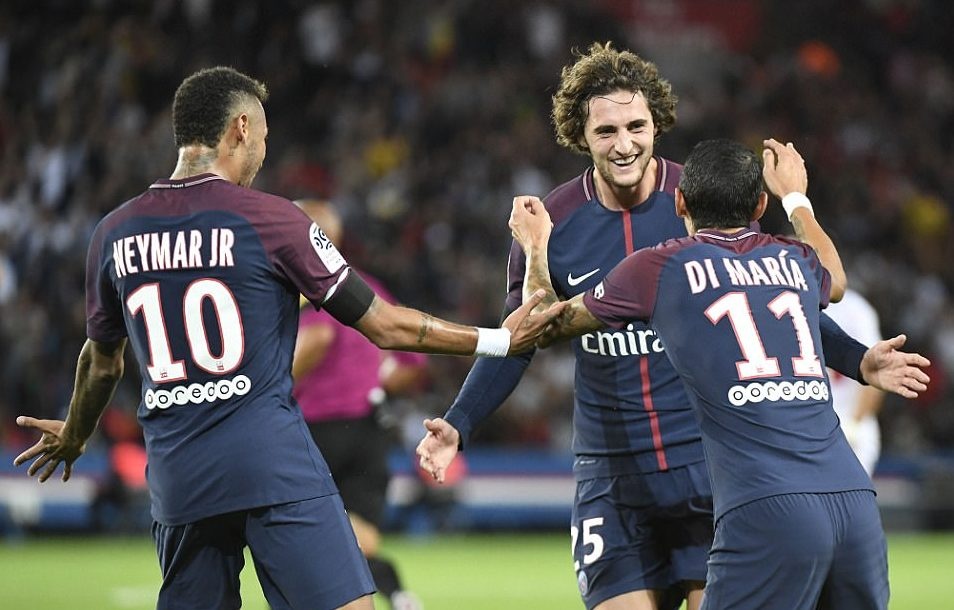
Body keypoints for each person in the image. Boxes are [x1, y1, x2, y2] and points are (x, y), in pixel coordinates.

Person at [11, 66, 563, 610]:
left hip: (179, 474)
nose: (263, 151)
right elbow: (384, 325)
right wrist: (499, 340)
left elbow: (102, 362)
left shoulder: (112, 232)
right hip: (268, 461)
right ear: (241, 129)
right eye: (264, 135)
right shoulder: (273, 220)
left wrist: (75, 434)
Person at [417, 43, 929, 610]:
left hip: (707, 468)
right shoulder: (550, 222)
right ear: (579, 135)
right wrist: (460, 421)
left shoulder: (701, 199)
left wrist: (856, 359)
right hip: (613, 474)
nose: (624, 144)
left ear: (657, 124)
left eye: (636, 126)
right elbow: (520, 340)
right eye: (606, 131)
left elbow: (773, 301)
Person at [502, 137, 930, 610]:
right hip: (854, 500)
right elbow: (836, 280)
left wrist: (535, 249)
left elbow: (545, 325)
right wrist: (796, 197)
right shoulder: (793, 259)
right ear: (759, 205)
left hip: (766, 505)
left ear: (680, 202)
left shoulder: (659, 267)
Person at [292, 198, 427, 610]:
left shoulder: (303, 286)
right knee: (359, 535)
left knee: (298, 534)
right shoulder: (365, 286)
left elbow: (318, 338)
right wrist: (374, 381)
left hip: (317, 430)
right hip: (368, 427)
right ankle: (395, 590)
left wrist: (273, 383)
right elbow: (413, 362)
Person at [825, 287, 885, 476]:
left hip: (850, 423)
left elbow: (876, 369)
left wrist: (855, 424)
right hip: (810, 425)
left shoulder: (855, 308)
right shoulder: (795, 299)